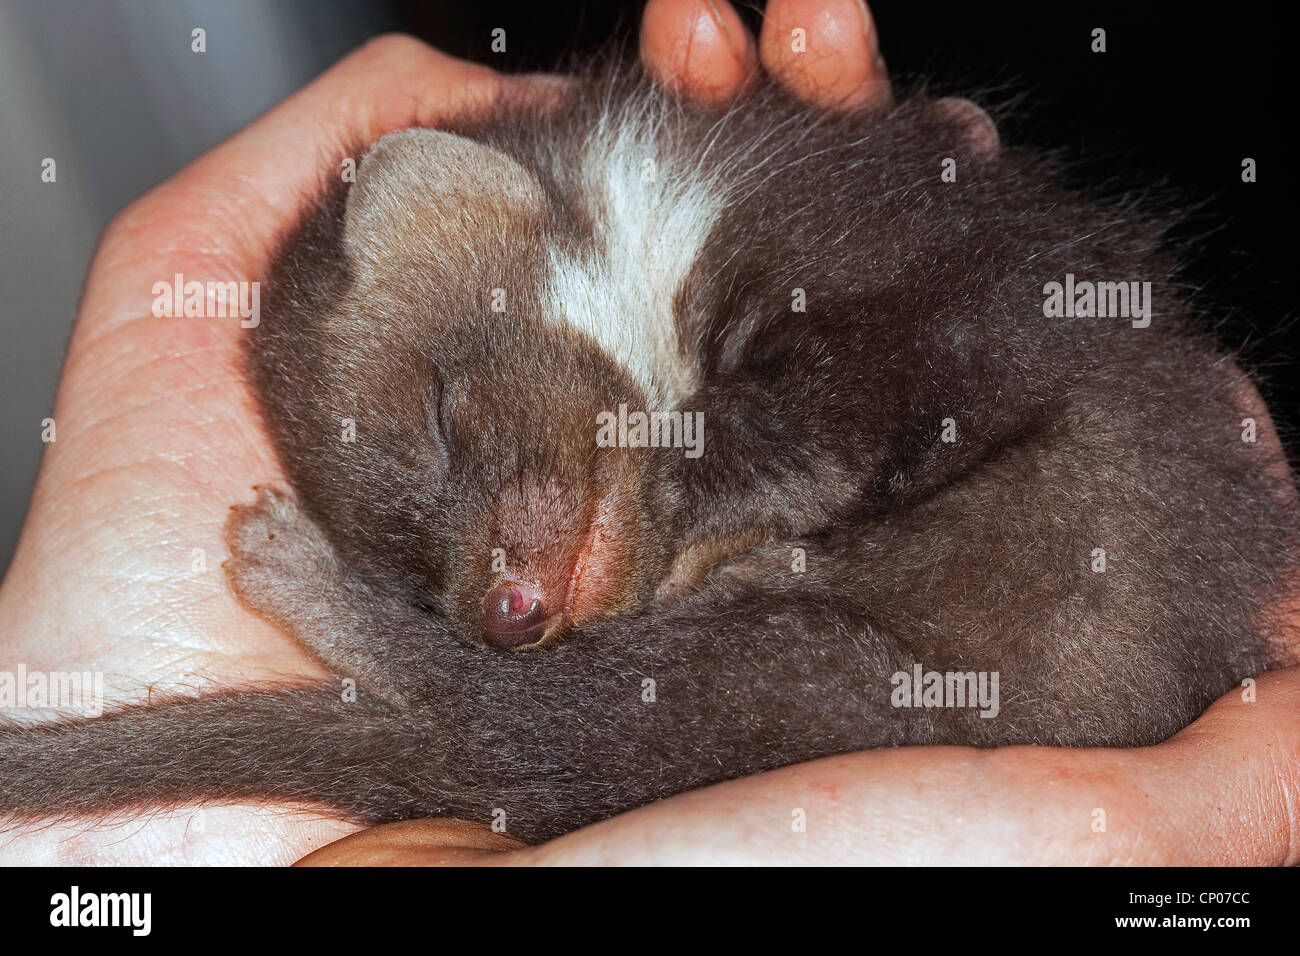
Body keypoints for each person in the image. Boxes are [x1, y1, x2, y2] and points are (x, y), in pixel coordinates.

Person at [1, 0, 1296, 866]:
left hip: (1011, 593)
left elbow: (884, 399)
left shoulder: (743, 211)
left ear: (458, 213)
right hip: (923, 632)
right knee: (619, 718)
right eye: (441, 593)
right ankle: (414, 681)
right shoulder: (717, 274)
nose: (497, 596)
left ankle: (415, 679)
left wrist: (673, 500)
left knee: (623, 712)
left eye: (447, 443)